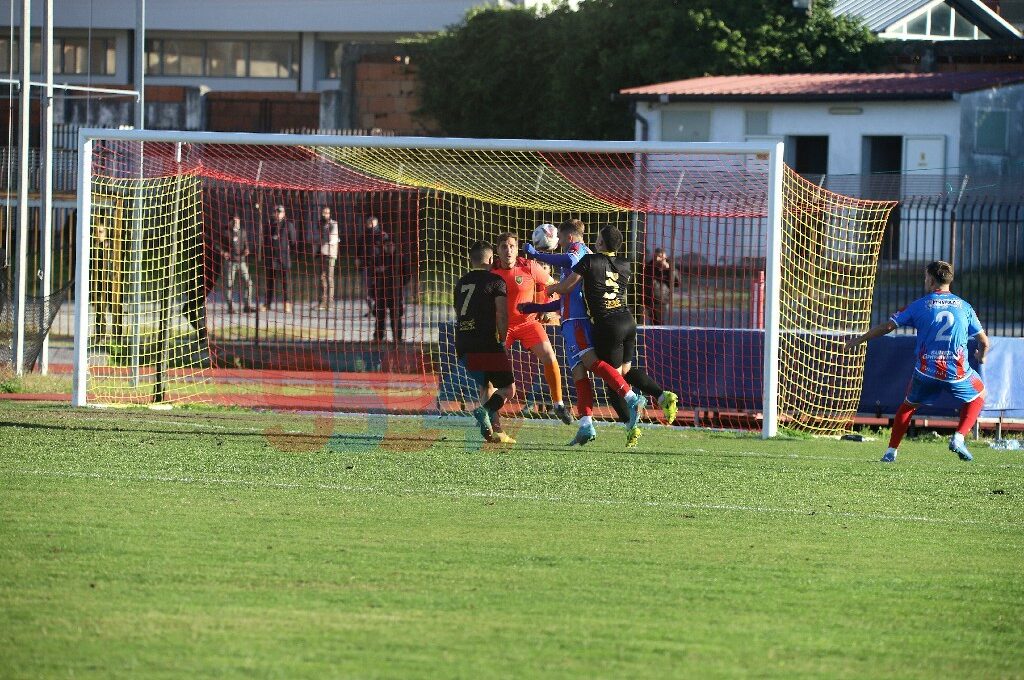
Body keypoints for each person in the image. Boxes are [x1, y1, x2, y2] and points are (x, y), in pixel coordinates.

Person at [521, 218, 661, 446]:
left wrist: (536, 255)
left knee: (591, 362)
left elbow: (568, 263)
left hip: (578, 321)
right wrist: (535, 307)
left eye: (561, 241)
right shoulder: (572, 263)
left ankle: (631, 397)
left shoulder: (578, 251)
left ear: (568, 237)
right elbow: (565, 300)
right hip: (569, 321)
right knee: (578, 372)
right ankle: (586, 424)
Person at [845, 260, 989, 463]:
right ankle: (958, 437)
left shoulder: (919, 305)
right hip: (956, 372)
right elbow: (984, 341)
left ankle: (890, 452)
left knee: (908, 406)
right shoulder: (965, 307)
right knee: (979, 394)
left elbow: (888, 327)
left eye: (925, 276)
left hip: (926, 372)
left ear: (930, 280)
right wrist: (980, 357)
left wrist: (859, 339)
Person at [491, 231, 574, 426]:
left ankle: (559, 404)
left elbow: (552, 285)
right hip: (503, 326)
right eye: (504, 247)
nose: (508, 251)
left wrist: (546, 306)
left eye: (512, 246)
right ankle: (490, 415)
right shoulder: (492, 272)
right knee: (493, 369)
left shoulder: (529, 266)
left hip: (528, 323)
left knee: (549, 356)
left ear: (517, 249)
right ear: (498, 250)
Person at [454, 240, 517, 444]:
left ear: (471, 260)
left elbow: (459, 312)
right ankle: (485, 411)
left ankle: (494, 430)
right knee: (508, 389)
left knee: (486, 384)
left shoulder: (460, 282)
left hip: (463, 344)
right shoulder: (496, 281)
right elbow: (502, 315)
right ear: (491, 259)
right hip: (486, 343)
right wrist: (503, 337)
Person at [370, 236, 411, 343]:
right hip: (381, 291)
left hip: (395, 293)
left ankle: (397, 338)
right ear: (383, 247)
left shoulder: (401, 258)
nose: (389, 248)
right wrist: (378, 270)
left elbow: (407, 274)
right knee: (380, 316)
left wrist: (399, 284)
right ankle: (378, 337)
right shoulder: (378, 258)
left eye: (391, 245)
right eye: (386, 245)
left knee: (396, 316)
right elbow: (371, 273)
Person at [261, 204, 296, 313]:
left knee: (286, 283)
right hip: (271, 258)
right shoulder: (269, 225)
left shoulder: (288, 225)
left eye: (280, 212)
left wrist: (290, 253)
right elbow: (265, 241)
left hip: (283, 258)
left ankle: (287, 303)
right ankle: (267, 304)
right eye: (276, 211)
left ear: (283, 213)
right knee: (270, 282)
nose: (278, 213)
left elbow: (293, 241)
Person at [220, 214, 255, 314]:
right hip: (230, 262)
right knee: (229, 284)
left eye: (237, 221)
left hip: (242, 261)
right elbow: (218, 244)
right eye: (234, 221)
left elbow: (246, 244)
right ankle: (230, 306)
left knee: (248, 282)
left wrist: (247, 250)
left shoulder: (243, 231)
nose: (236, 223)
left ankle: (247, 305)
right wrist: (223, 252)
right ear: (230, 222)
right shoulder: (226, 232)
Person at [356, 215, 387, 319]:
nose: (370, 225)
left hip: (379, 266)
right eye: (369, 223)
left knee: (379, 289)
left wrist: (384, 264)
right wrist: (357, 258)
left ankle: (380, 309)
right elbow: (359, 248)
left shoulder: (382, 235)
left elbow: (386, 251)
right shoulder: (364, 235)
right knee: (367, 290)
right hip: (366, 265)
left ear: (376, 223)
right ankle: (371, 309)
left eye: (372, 223)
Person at [642, 247, 679, 325]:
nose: (658, 259)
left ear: (665, 257)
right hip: (650, 299)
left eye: (660, 257)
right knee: (653, 322)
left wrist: (669, 269)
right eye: (656, 257)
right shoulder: (649, 267)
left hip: (662, 300)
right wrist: (654, 266)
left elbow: (677, 283)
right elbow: (647, 280)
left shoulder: (670, 267)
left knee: (659, 323)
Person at [314, 206, 340, 311]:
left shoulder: (333, 224)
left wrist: (319, 238)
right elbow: (315, 237)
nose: (325, 214)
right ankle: (322, 302)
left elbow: (330, 239)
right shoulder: (319, 224)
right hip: (321, 253)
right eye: (324, 212)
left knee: (329, 278)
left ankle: (330, 303)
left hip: (330, 254)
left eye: (327, 213)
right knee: (321, 278)